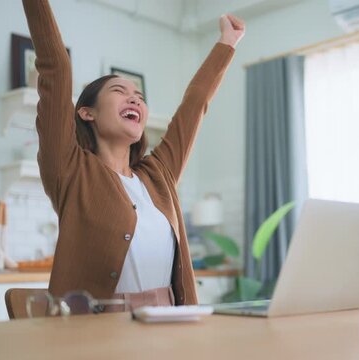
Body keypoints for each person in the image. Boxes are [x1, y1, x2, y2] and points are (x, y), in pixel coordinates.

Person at [22, 0, 244, 311]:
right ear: (86, 113)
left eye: (139, 96)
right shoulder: (70, 170)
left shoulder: (158, 175)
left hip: (169, 322)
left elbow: (194, 106)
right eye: (118, 91)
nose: (134, 99)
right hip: (95, 329)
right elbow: (56, 67)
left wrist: (227, 43)